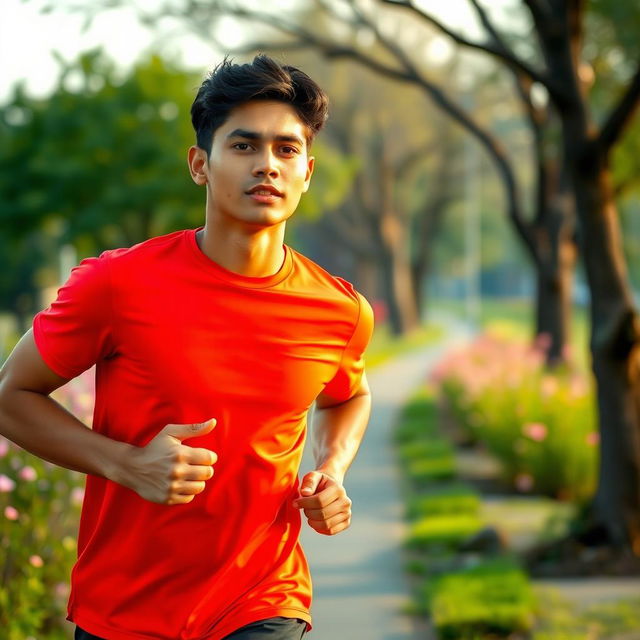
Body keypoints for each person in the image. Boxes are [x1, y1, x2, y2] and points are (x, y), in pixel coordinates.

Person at [0, 55, 373, 640]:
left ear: (307, 172)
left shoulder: (341, 309)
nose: (268, 166)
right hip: (124, 609)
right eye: (245, 146)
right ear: (200, 164)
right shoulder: (118, 284)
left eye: (286, 149)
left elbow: (349, 395)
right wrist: (126, 464)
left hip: (263, 599)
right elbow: (9, 396)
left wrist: (331, 470)